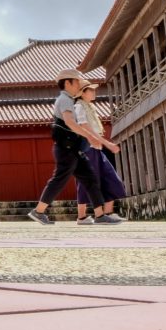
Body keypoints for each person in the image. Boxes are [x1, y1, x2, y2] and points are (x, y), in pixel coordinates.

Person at [29, 69, 120, 225]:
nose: (79, 84)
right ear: (67, 83)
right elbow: (70, 122)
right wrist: (90, 136)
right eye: (76, 81)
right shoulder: (64, 100)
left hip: (74, 148)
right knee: (59, 179)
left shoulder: (69, 100)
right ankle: (38, 211)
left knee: (90, 179)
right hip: (67, 149)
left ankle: (99, 215)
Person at [73, 82, 127, 224]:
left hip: (95, 148)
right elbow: (84, 127)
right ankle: (84, 216)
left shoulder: (89, 107)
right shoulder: (79, 107)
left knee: (110, 177)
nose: (94, 92)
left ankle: (107, 212)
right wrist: (107, 143)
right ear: (82, 93)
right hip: (86, 148)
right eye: (90, 90)